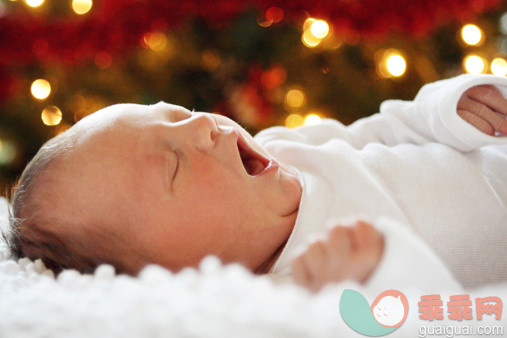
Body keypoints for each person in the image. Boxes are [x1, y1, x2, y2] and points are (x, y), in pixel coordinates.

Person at [3, 74, 507, 293]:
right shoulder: (305, 286)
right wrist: (393, 276)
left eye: (180, 114)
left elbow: (384, 128)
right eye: (173, 166)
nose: (201, 126)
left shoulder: (284, 148)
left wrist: (449, 109)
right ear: (177, 276)